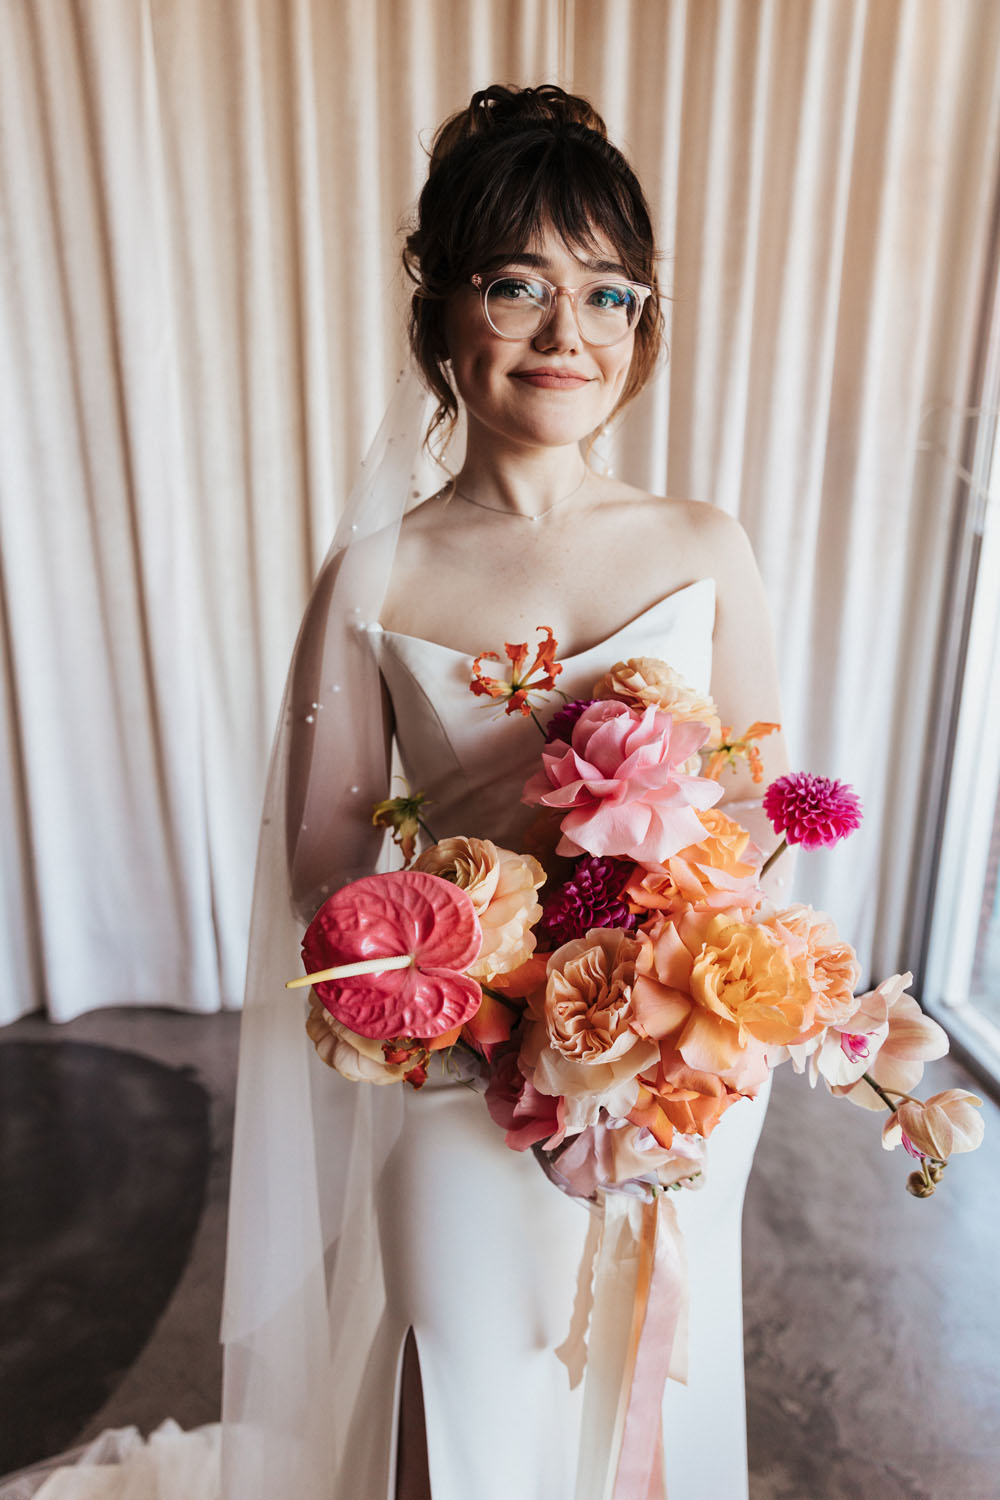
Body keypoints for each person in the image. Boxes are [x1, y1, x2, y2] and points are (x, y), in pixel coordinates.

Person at [222, 84, 790, 1500]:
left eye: (607, 293)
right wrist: (496, 1025)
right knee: (462, 1395)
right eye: (519, 284)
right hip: (457, 1070)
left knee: (634, 1393)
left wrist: (659, 1015)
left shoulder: (705, 545)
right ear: (443, 317)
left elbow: (760, 818)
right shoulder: (376, 574)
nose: (566, 333)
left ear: (644, 324)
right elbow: (325, 856)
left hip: (668, 1065)